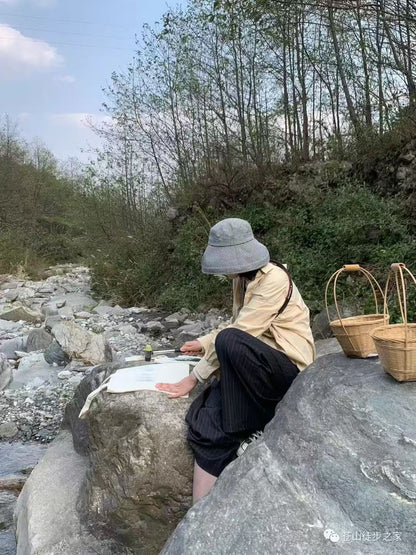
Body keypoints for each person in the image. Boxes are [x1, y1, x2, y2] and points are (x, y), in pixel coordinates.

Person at [155, 218, 315, 504]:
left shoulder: (274, 279)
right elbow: (237, 324)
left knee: (226, 346)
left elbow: (238, 333)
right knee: (206, 416)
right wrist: (203, 343)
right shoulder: (243, 279)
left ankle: (252, 425)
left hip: (287, 368)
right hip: (258, 365)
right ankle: (200, 512)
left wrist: (194, 377)